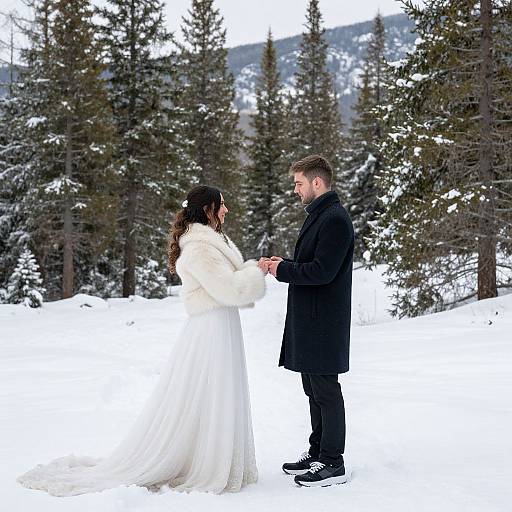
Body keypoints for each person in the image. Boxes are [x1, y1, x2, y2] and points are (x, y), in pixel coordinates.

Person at [17, 185, 266, 496]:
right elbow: (228, 288)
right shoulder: (201, 248)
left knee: (214, 393)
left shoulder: (208, 243)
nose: (227, 210)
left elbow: (227, 282)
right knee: (210, 393)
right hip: (212, 328)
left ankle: (212, 455)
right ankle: (205, 461)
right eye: (222, 204)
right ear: (207, 210)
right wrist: (256, 272)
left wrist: (253, 270)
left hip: (218, 323)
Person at [260, 155, 354, 488]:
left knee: (327, 392)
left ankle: (333, 462)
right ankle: (317, 453)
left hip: (324, 324)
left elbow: (322, 272)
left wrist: (280, 269)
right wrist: (284, 263)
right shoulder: (320, 216)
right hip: (311, 322)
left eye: (299, 183)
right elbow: (311, 263)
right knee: (313, 390)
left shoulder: (335, 220)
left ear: (317, 182)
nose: (296, 190)